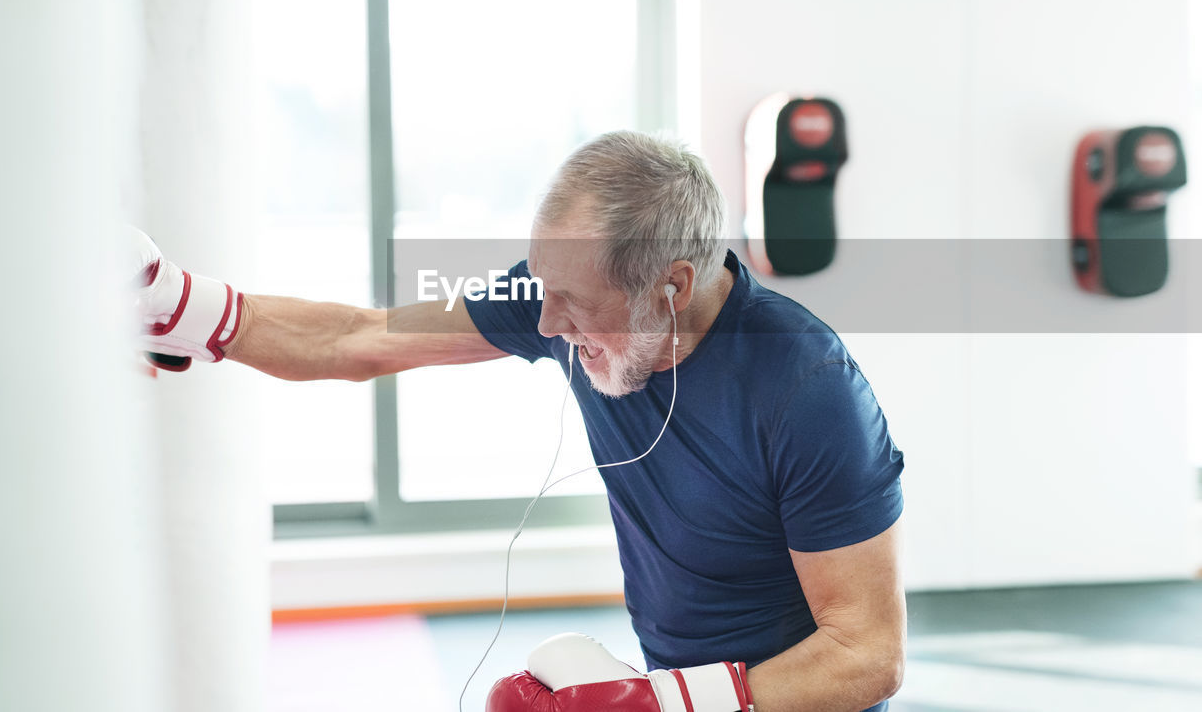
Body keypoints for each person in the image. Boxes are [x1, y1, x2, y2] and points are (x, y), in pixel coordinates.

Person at [134, 130, 906, 712]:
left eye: (572, 300)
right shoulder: (565, 297)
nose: (545, 319)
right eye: (541, 285)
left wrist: (657, 701)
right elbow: (358, 338)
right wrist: (184, 307)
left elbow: (869, 650)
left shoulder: (806, 386)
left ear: (670, 287)